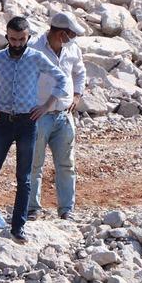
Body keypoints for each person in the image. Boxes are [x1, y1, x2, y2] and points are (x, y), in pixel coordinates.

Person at [0, 16, 69, 243]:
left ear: (28, 38)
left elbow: (61, 79)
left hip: (27, 123)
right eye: (12, 39)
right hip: (2, 122)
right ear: (7, 37)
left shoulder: (36, 58)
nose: (16, 44)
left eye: (21, 39)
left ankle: (18, 226)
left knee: (24, 177)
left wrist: (46, 106)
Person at [29, 12, 87, 221]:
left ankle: (66, 209)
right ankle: (32, 209)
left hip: (64, 114)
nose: (72, 39)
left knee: (66, 164)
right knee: (34, 164)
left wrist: (77, 95)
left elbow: (80, 73)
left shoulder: (73, 49)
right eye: (70, 35)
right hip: (38, 115)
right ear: (61, 34)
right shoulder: (34, 47)